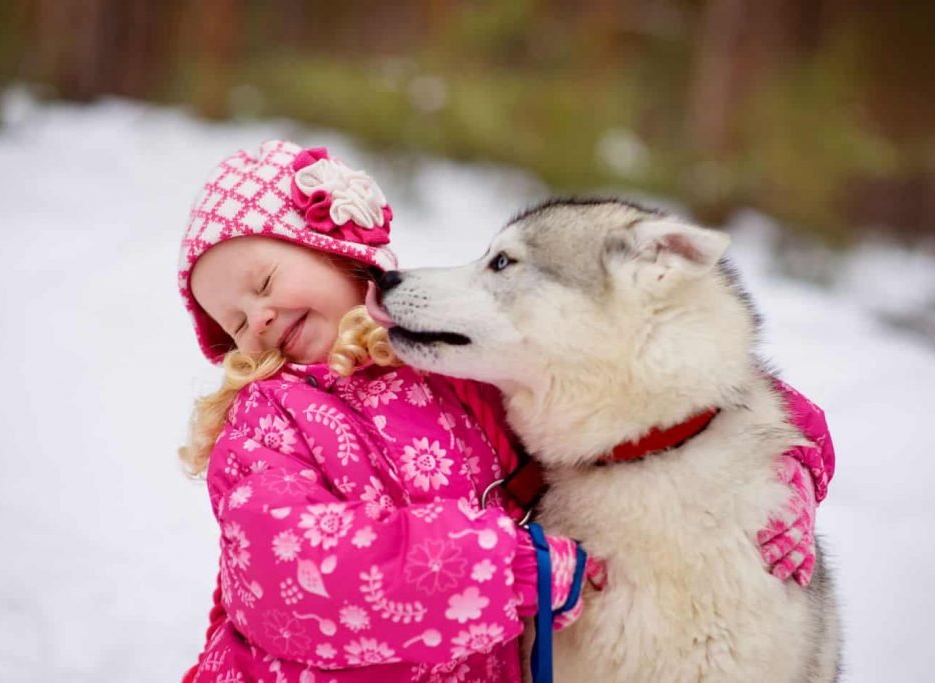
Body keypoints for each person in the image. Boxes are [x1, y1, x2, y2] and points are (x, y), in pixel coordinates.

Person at [176, 141, 835, 682]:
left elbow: (687, 393)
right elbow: (291, 583)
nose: (257, 317)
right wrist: (501, 567)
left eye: (263, 283)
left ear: (335, 250)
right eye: (233, 322)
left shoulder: (457, 370)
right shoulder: (267, 423)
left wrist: (789, 471)